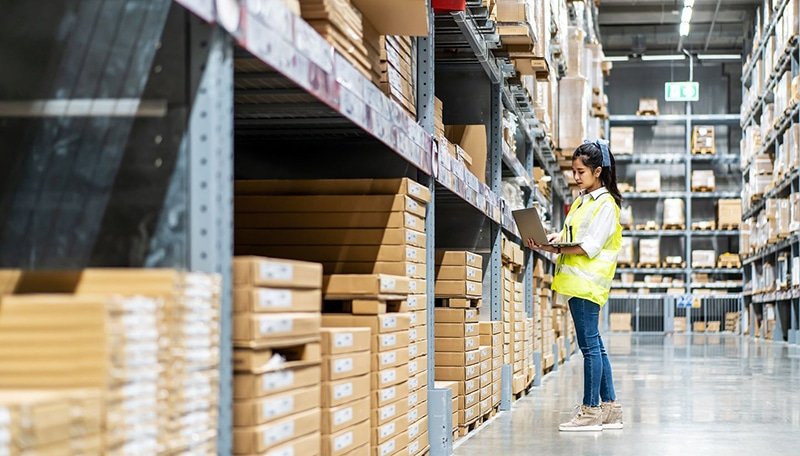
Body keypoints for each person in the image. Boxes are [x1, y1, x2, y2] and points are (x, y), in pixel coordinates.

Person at [526, 140, 624, 432]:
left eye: (581, 172)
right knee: (596, 346)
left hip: (587, 285)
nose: (576, 177)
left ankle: (590, 410)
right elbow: (575, 235)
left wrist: (553, 249)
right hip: (577, 283)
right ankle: (610, 408)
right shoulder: (583, 201)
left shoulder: (606, 205)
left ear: (597, 171)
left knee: (589, 348)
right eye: (574, 171)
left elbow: (589, 246)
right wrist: (554, 237)